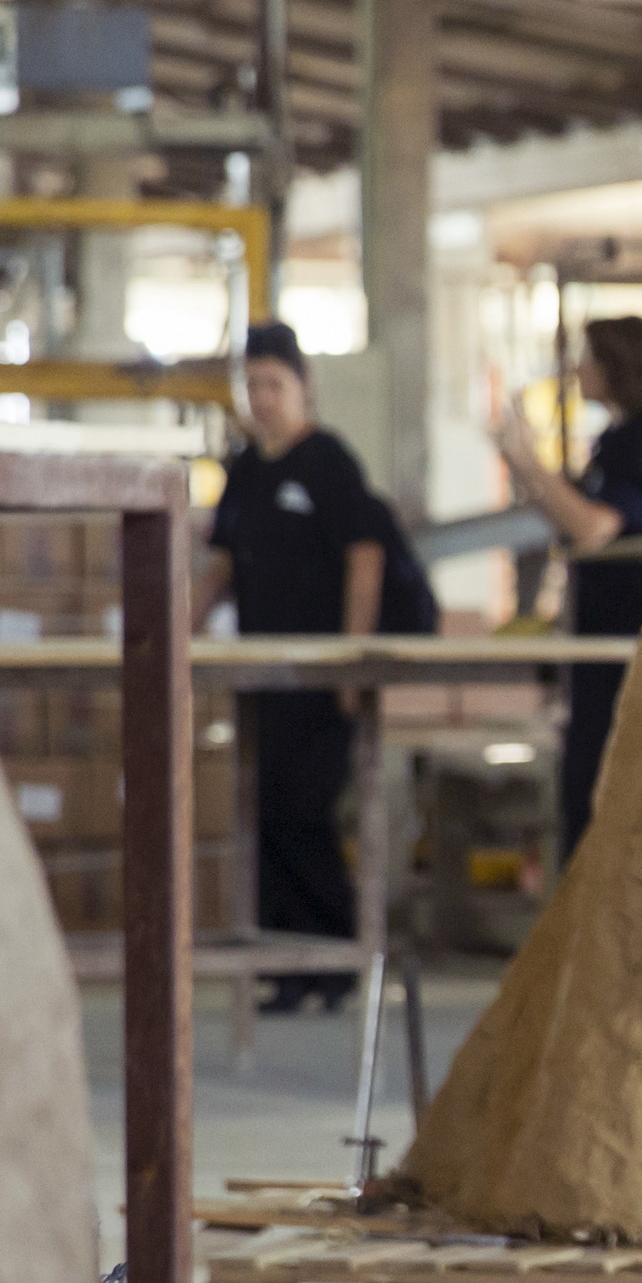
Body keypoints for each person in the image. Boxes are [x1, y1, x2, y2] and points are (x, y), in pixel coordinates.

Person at [203, 322, 431, 1010]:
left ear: (304, 388)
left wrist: (349, 664)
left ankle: (336, 959)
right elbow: (217, 565)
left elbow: (364, 558)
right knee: (263, 813)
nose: (263, 398)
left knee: (304, 811)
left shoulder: (327, 462)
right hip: (261, 678)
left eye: (275, 384)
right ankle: (288, 962)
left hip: (320, 681)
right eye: (253, 385)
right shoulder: (245, 471)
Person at [490, 315, 642, 856]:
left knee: (605, 794)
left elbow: (594, 528)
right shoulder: (616, 442)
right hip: (600, 647)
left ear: (615, 367)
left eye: (589, 357)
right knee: (582, 791)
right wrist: (524, 465)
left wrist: (528, 460)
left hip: (628, 649)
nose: (577, 369)